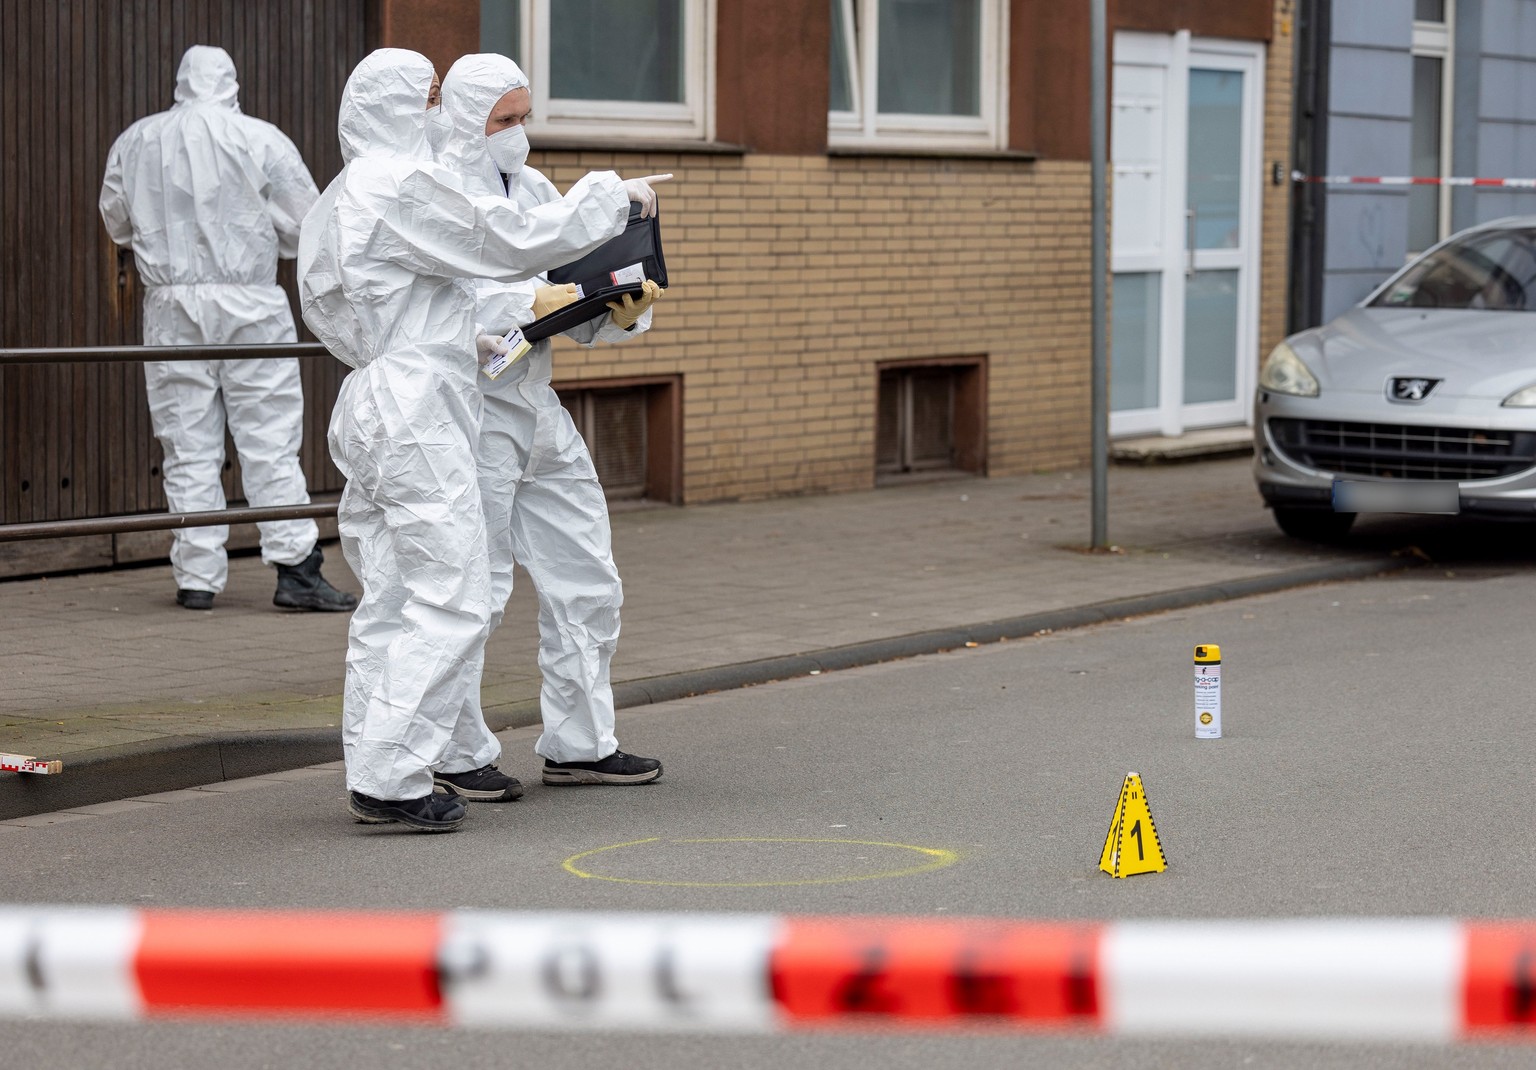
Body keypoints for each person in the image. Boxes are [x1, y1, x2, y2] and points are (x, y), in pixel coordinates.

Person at [298, 48, 664, 832]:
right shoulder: (393, 185)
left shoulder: (353, 191)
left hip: (400, 395)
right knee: (453, 593)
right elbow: (502, 247)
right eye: (427, 96)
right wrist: (606, 199)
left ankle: (385, 765)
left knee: (402, 597)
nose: (434, 110)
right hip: (423, 404)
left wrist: (598, 305)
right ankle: (396, 775)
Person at [438, 54, 664, 792]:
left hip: (535, 403)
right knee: (477, 588)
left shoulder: (532, 188)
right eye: (504, 120)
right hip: (472, 411)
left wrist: (618, 312)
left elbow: (561, 299)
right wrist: (518, 307)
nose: (518, 134)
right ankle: (456, 754)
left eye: (525, 116)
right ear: (468, 121)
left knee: (586, 576)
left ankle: (581, 742)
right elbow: (428, 310)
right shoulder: (435, 191)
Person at [99, 45, 356, 614]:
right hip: (250, 302)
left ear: (181, 82)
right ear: (232, 83)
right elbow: (305, 225)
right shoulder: (261, 139)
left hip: (169, 306)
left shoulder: (137, 141)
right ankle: (295, 569)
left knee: (185, 440)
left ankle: (197, 576)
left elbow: (116, 220)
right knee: (268, 439)